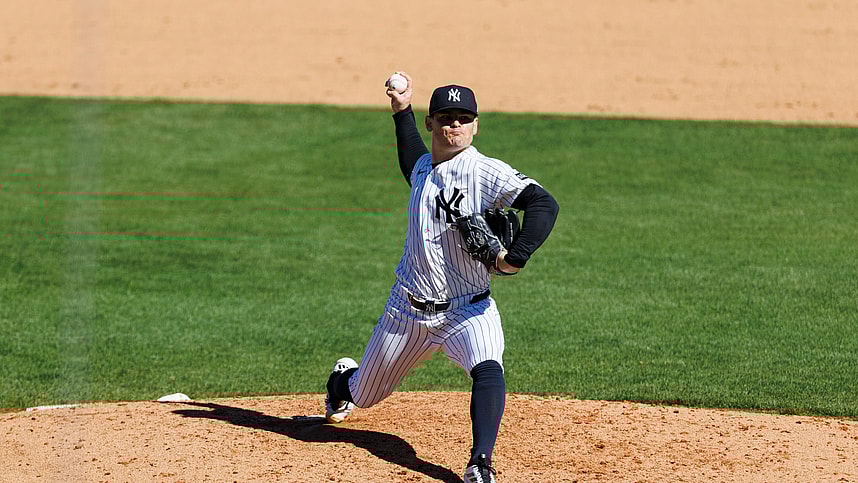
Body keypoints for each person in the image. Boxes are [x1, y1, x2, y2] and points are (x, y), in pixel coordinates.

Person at [324, 71, 559, 482]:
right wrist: (400, 110)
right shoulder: (421, 169)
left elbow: (543, 202)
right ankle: (341, 380)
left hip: (469, 310)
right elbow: (411, 156)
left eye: (463, 118)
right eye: (446, 117)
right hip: (407, 313)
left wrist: (514, 259)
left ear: (476, 125)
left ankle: (480, 464)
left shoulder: (483, 171)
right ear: (431, 122)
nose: (455, 125)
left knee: (488, 368)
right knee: (365, 394)